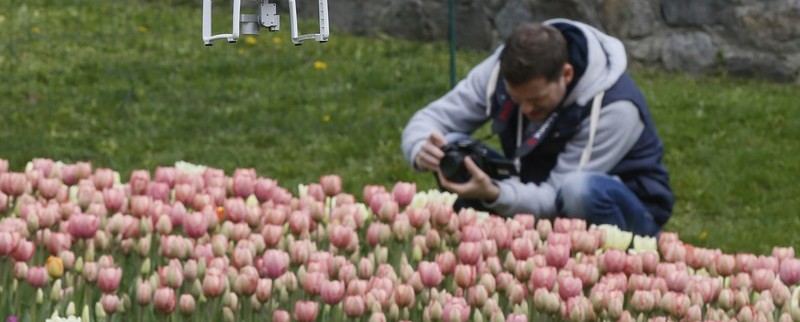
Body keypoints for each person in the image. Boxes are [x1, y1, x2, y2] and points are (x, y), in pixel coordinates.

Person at [401, 19, 673, 237]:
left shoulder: (615, 107)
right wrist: (421, 148)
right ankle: (486, 251)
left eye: (536, 100)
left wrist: (496, 193)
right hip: (532, 183)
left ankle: (612, 274)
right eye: (516, 100)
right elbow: (431, 119)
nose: (526, 110)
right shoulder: (502, 69)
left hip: (626, 211)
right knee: (451, 147)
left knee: (580, 190)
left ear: (566, 74)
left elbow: (557, 197)